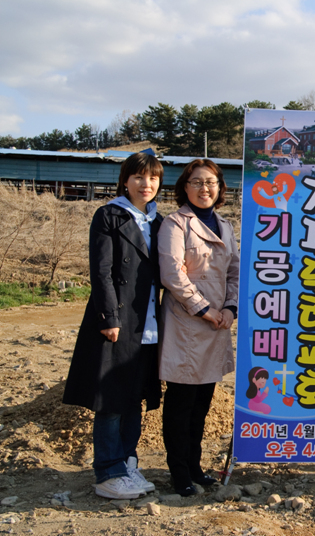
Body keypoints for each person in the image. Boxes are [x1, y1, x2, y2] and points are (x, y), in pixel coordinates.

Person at [63, 153, 164, 500]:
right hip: (118, 321)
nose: (146, 184)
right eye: (138, 177)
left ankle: (127, 461)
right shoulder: (109, 215)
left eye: (153, 178)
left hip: (147, 322)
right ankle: (108, 472)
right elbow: (101, 271)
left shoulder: (158, 221)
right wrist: (108, 318)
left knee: (134, 397)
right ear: (125, 181)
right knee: (110, 399)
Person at [158, 159, 240, 496]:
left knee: (202, 403)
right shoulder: (175, 223)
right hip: (187, 323)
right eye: (197, 182)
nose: (204, 188)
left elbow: (234, 271)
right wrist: (205, 310)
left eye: (211, 182)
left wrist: (230, 308)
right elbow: (172, 274)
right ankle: (179, 472)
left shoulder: (225, 225)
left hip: (217, 324)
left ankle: (195, 466)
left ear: (220, 188)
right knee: (181, 402)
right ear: (185, 186)